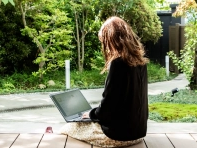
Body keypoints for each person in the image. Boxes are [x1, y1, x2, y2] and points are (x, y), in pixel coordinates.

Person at [59, 16, 149, 148]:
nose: (105, 47)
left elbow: (109, 106)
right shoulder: (141, 62)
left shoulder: (118, 64)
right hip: (139, 133)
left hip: (119, 136)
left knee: (69, 127)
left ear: (112, 40)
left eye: (104, 42)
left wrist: (91, 114)